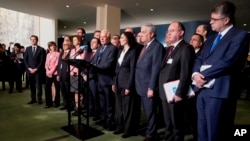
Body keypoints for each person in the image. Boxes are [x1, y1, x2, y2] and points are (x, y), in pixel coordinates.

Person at [192, 1, 249, 141]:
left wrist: (203, 75)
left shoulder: (240, 35)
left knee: (216, 132)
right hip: (202, 89)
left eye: (214, 19)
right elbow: (199, 58)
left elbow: (228, 61)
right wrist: (195, 75)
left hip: (220, 91)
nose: (210, 22)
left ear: (226, 20)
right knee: (202, 130)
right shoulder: (210, 39)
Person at [158, 21, 196, 141]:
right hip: (165, 92)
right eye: (168, 31)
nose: (169, 33)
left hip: (175, 93)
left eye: (172, 30)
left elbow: (185, 73)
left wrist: (179, 93)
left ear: (181, 33)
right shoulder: (170, 48)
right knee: (168, 122)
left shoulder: (186, 48)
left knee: (177, 124)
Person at [135, 23, 164, 141]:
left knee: (151, 112)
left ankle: (151, 135)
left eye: (143, 32)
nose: (141, 34)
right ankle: (150, 130)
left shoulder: (157, 47)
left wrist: (151, 87)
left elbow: (156, 69)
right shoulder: (145, 46)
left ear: (152, 34)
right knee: (147, 112)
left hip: (148, 87)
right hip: (141, 85)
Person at [112, 32, 138, 138]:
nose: (120, 39)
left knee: (127, 109)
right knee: (118, 108)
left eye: (122, 37)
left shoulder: (133, 51)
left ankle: (128, 130)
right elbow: (116, 69)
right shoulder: (120, 51)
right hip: (118, 82)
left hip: (126, 83)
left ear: (128, 39)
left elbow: (133, 70)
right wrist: (114, 82)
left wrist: (129, 86)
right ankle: (120, 127)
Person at [91, 29, 118, 130]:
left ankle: (110, 123)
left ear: (109, 38)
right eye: (100, 37)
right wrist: (92, 66)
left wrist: (95, 67)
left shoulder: (113, 49)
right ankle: (104, 120)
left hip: (107, 80)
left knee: (109, 104)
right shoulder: (100, 48)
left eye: (104, 37)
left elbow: (109, 64)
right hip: (99, 79)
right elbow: (93, 61)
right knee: (102, 103)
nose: (101, 38)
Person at [24, 35, 45, 104]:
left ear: (37, 40)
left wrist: (36, 69)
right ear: (30, 40)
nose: (33, 41)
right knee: (32, 85)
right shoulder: (28, 49)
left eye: (34, 39)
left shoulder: (41, 49)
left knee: (39, 85)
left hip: (38, 71)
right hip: (29, 71)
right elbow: (25, 60)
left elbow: (42, 61)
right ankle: (33, 99)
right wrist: (29, 68)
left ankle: (39, 99)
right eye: (31, 39)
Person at [44, 41, 60, 108]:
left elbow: (56, 64)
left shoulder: (58, 54)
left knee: (56, 88)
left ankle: (56, 102)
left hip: (55, 73)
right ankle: (48, 103)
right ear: (49, 47)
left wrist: (51, 72)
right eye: (51, 46)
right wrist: (47, 71)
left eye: (54, 46)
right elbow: (46, 64)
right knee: (47, 87)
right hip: (48, 73)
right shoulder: (48, 54)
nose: (53, 47)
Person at [57, 41, 72, 110]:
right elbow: (59, 64)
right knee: (63, 91)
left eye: (66, 44)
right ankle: (65, 104)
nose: (64, 46)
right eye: (63, 45)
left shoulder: (71, 53)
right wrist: (58, 74)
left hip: (67, 74)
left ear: (69, 45)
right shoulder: (61, 53)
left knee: (68, 91)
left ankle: (70, 105)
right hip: (61, 74)